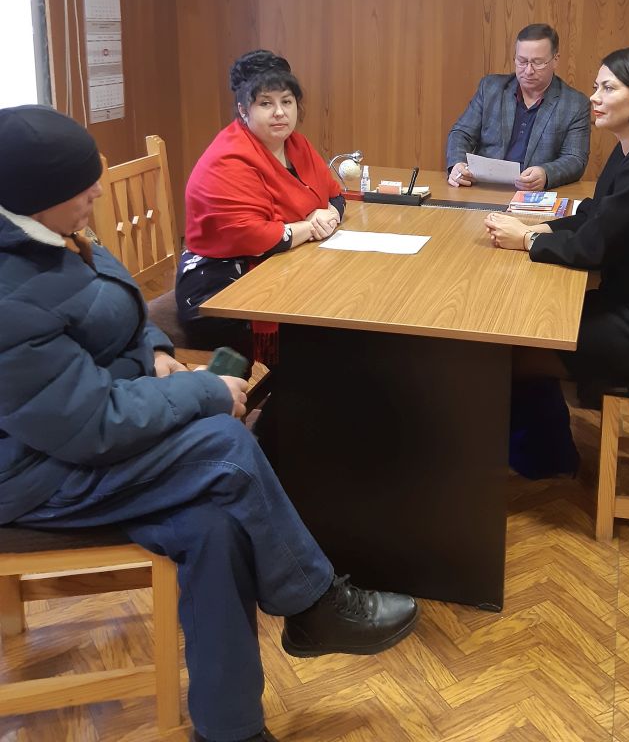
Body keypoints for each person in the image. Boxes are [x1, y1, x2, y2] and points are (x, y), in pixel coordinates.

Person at [0, 104, 419, 742]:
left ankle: (231, 730)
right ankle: (315, 604)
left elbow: (118, 311)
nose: (96, 193)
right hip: (35, 473)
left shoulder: (54, 234)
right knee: (225, 447)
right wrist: (200, 391)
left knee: (215, 524)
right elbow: (89, 426)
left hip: (86, 433)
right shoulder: (10, 293)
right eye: (81, 186)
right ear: (36, 196)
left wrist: (158, 354)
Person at [484, 47, 629, 413]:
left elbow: (593, 248)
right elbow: (597, 214)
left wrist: (527, 239)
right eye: (597, 87)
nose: (594, 97)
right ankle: (544, 438)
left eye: (608, 88)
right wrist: (540, 227)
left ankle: (540, 443)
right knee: (524, 326)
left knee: (510, 353)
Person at [176, 50, 344, 361]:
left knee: (340, 307)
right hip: (220, 285)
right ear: (243, 109)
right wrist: (311, 226)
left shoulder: (297, 145)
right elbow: (252, 236)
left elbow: (335, 195)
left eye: (287, 102)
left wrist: (329, 215)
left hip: (283, 264)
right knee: (324, 337)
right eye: (266, 103)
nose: (279, 112)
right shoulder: (228, 158)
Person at [445, 23, 590, 191]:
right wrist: (457, 163)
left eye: (537, 63)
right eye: (522, 61)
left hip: (533, 192)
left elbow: (575, 158)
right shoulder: (491, 88)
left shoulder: (575, 104)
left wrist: (546, 173)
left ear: (555, 60)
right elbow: (461, 133)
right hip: (484, 187)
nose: (528, 71)